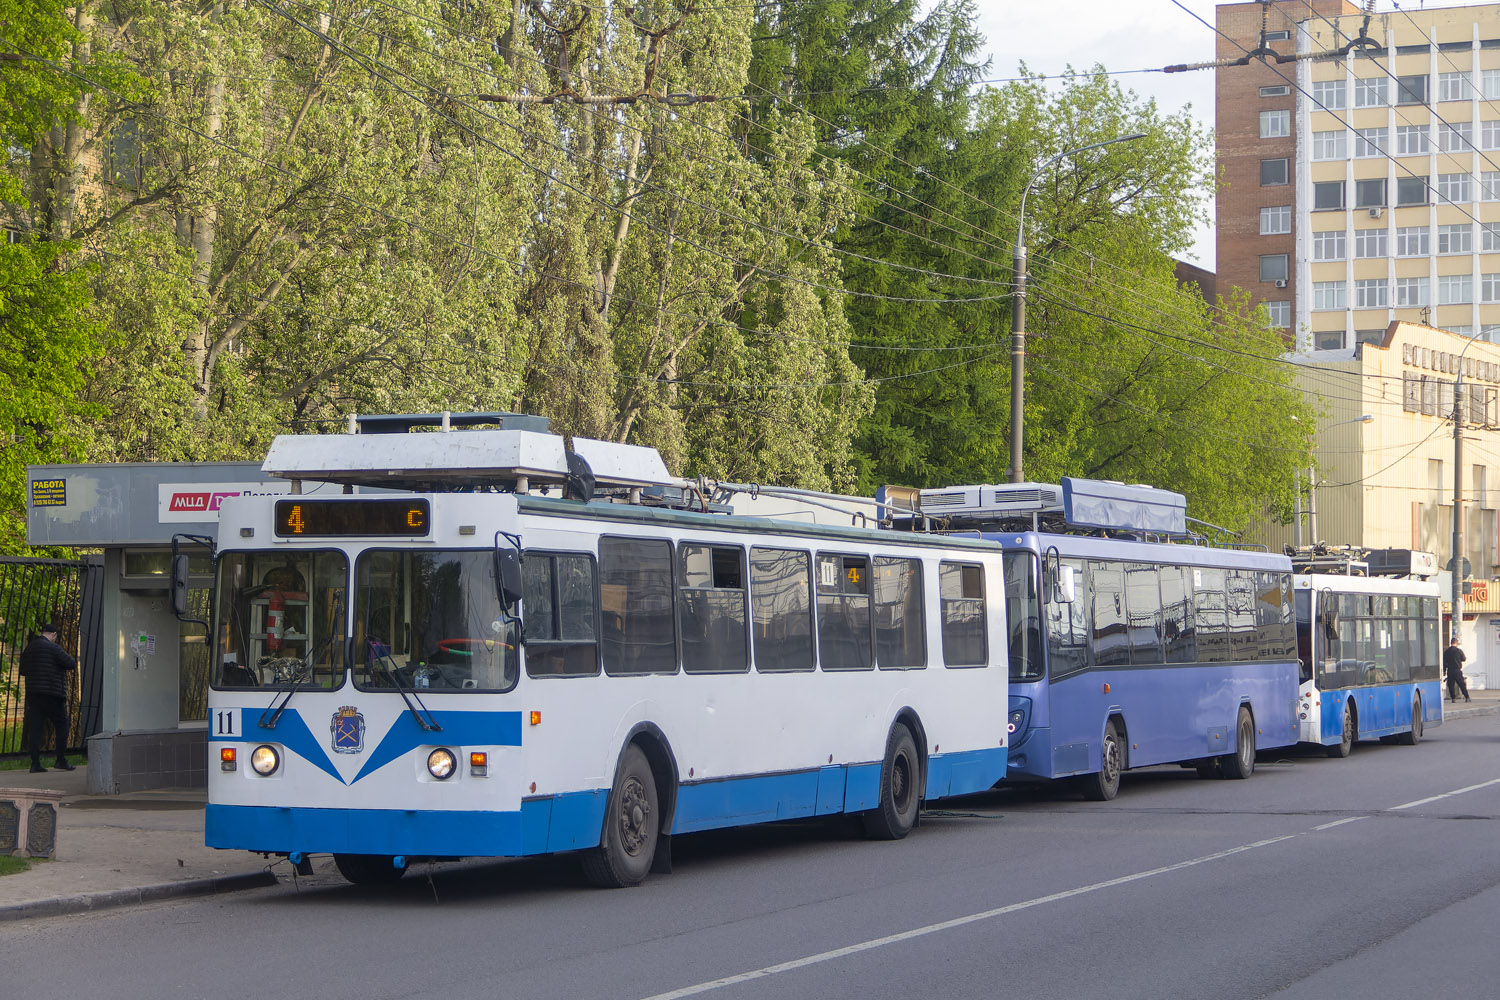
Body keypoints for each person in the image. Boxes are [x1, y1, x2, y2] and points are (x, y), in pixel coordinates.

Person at [19, 622, 77, 773]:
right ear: (53, 635)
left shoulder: (29, 648)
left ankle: (35, 763)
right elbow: (71, 663)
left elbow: (23, 670)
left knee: (36, 727)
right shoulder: (54, 648)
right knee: (62, 724)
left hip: (33, 693)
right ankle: (61, 759)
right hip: (52, 693)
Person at [1444, 636, 1471, 704]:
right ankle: (1467, 697)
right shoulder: (1459, 651)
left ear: (1451, 643)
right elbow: (1464, 659)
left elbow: (1444, 662)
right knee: (1461, 684)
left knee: (1451, 685)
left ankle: (1453, 698)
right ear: (1456, 643)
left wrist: (1444, 670)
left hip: (1450, 670)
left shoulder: (1447, 652)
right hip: (1457, 670)